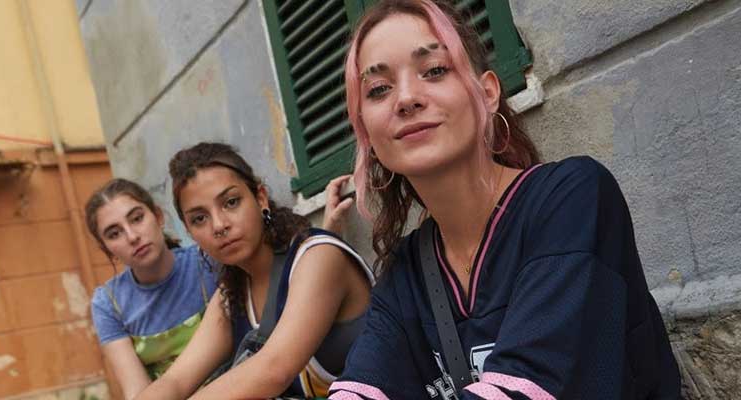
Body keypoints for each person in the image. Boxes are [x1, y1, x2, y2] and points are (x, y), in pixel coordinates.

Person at [327, 1, 681, 399]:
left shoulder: (573, 199)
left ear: (488, 92)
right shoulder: (404, 273)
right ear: (368, 134)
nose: (406, 98)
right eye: (378, 89)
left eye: (435, 70)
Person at [135, 142, 375, 399]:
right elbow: (175, 380)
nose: (219, 225)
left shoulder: (318, 257)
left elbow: (274, 369)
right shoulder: (233, 295)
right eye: (199, 218)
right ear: (189, 232)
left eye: (231, 202)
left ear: (260, 198)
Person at [85, 178, 218, 399]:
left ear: (158, 216)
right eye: (114, 233)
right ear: (106, 249)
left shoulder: (207, 262)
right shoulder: (108, 303)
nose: (132, 236)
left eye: (137, 219)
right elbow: (136, 389)